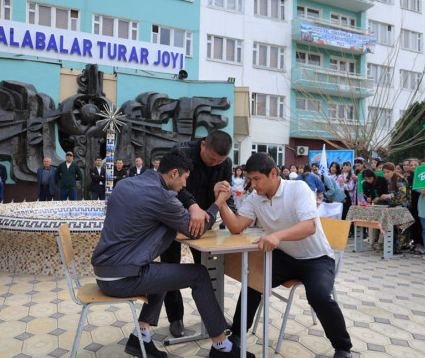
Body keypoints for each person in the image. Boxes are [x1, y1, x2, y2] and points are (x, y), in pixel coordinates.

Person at [91, 149, 253, 358]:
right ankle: (222, 347)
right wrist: (219, 201)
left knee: (165, 274)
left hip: (104, 271)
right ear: (174, 173)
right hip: (122, 277)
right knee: (199, 274)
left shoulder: (126, 184)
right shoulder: (162, 197)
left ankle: (140, 337)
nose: (185, 185)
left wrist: (191, 208)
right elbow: (197, 230)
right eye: (185, 179)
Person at [214, 153, 353, 358]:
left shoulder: (298, 189)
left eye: (256, 179)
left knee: (319, 296)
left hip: (317, 258)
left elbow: (310, 226)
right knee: (252, 281)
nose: (252, 185)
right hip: (285, 257)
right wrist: (222, 203)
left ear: (273, 173)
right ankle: (236, 335)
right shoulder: (255, 198)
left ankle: (343, 348)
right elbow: (236, 227)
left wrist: (277, 236)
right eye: (249, 180)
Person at [160, 130, 236, 338]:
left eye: (219, 161)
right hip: (174, 219)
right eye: (212, 158)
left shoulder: (225, 163)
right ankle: (175, 318)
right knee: (170, 268)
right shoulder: (180, 152)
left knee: (209, 270)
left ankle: (213, 318)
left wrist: (233, 215)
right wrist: (192, 206)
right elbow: (172, 185)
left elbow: (226, 195)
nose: (215, 164)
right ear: (203, 145)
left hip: (203, 224)